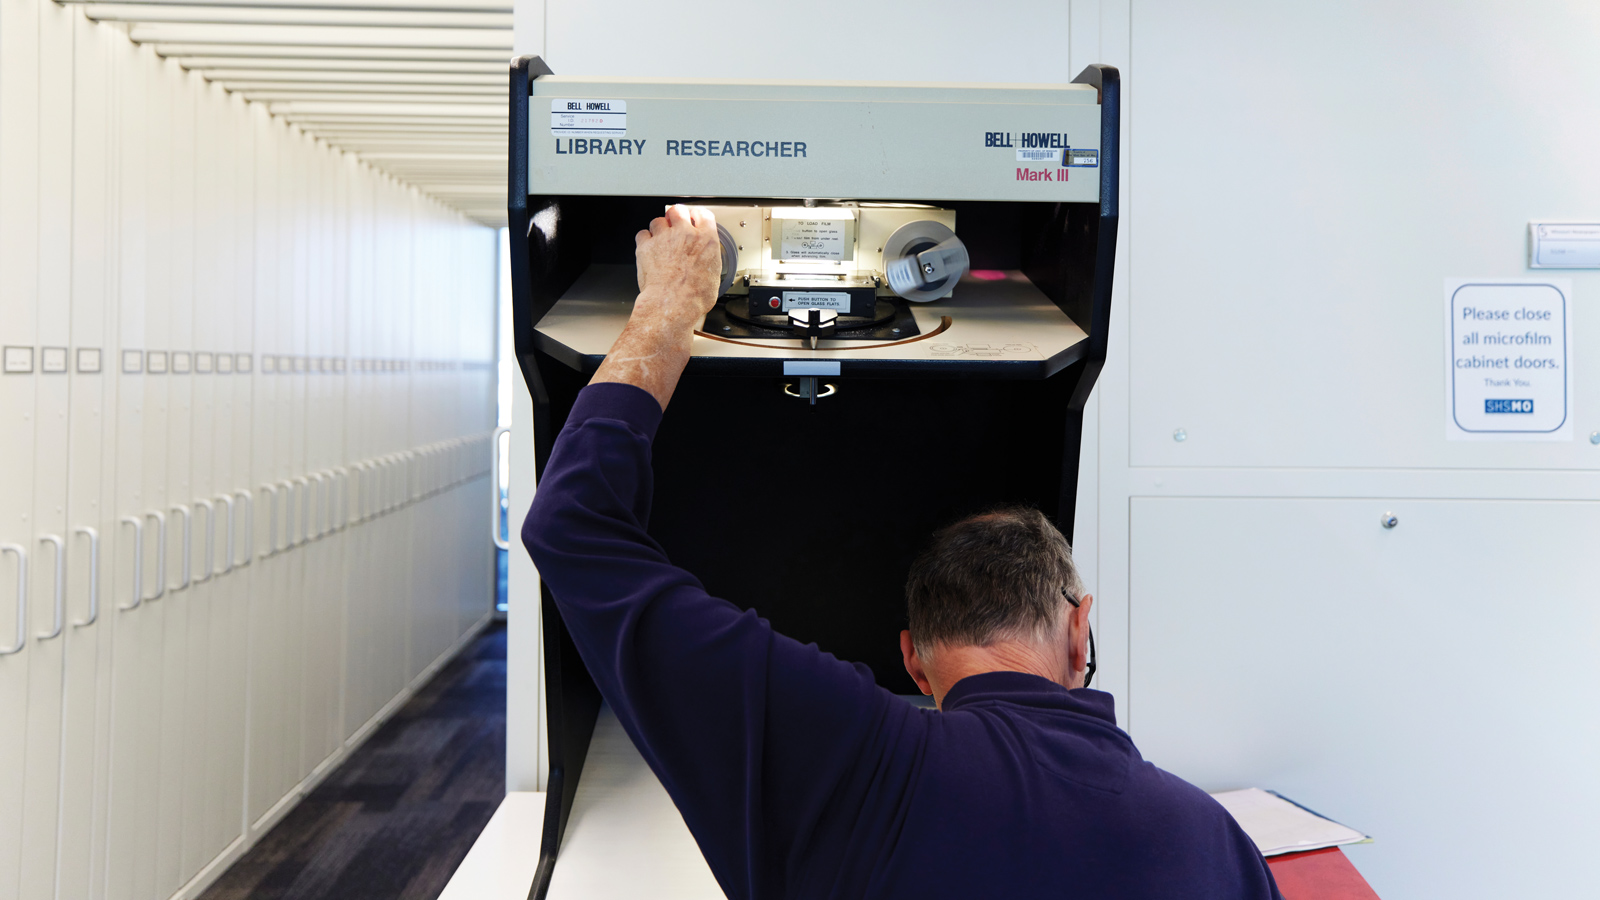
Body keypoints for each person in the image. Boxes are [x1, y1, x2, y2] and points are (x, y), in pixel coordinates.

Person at [522, 204, 1282, 899]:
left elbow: (570, 526)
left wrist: (669, 306)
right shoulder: (1213, 841)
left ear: (914, 659)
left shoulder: (846, 754)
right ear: (1081, 631)